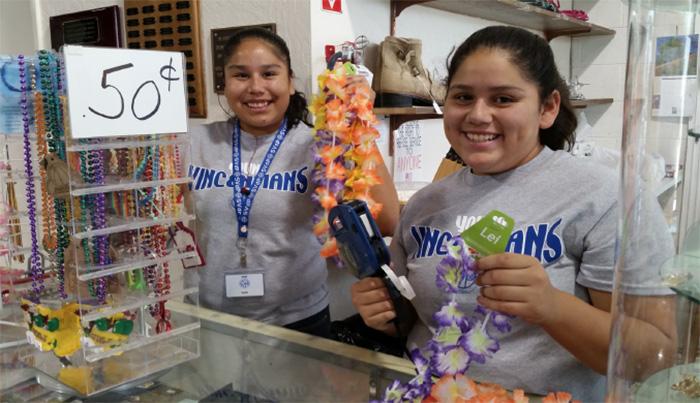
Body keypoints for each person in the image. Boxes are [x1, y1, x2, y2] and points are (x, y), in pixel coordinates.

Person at [350, 26, 675, 401]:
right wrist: (385, 314)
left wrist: (552, 306)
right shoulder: (426, 203)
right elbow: (417, 320)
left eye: (503, 99)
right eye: (462, 97)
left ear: (548, 108)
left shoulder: (607, 198)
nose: (478, 114)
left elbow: (653, 356)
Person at [187, 27, 399, 338]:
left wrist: (360, 124)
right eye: (241, 75)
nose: (256, 87)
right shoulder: (196, 142)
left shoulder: (321, 145)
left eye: (269, 73)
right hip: (210, 320)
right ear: (224, 83)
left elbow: (387, 220)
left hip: (297, 324)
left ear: (290, 81)